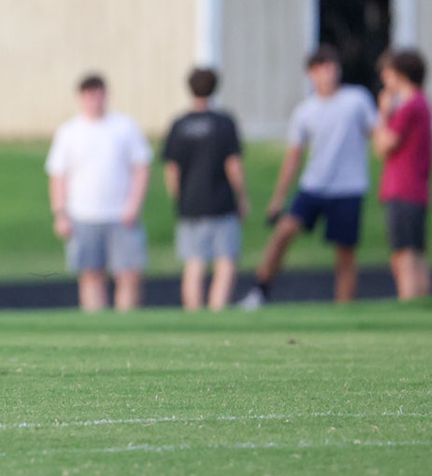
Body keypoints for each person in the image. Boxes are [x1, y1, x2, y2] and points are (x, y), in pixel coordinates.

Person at [242, 45, 377, 308]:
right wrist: (278, 198)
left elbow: (377, 134)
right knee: (283, 233)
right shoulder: (305, 110)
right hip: (314, 186)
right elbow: (294, 156)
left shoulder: (356, 99)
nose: (329, 73)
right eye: (322, 68)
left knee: (345, 253)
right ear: (311, 74)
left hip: (349, 187)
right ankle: (260, 290)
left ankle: (344, 309)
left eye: (332, 67)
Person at [45, 74, 152, 312]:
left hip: (121, 214)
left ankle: (127, 326)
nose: (94, 100)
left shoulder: (124, 126)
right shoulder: (69, 131)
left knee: (128, 274)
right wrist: (61, 213)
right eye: (89, 95)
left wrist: (133, 205)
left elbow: (141, 168)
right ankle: (96, 328)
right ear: (81, 98)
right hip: (83, 214)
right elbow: (58, 176)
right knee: (91, 275)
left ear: (106, 94)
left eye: (98, 94)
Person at [161, 67, 250, 311]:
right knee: (225, 262)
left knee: (194, 262)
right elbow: (233, 164)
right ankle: (217, 310)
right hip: (221, 202)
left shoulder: (179, 125)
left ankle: (193, 312)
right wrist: (242, 197)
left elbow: (172, 169)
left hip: (191, 205)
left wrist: (179, 198)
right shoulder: (224, 122)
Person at [374, 47, 432, 301]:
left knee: (404, 255)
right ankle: (423, 306)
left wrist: (383, 112)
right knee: (414, 253)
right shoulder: (422, 103)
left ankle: (410, 303)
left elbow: (383, 145)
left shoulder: (408, 107)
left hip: (404, 188)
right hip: (415, 188)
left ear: (401, 75)